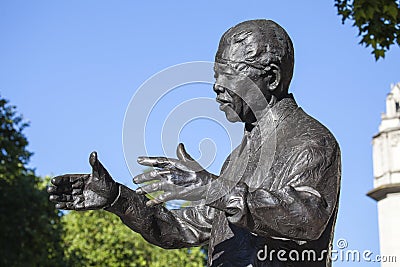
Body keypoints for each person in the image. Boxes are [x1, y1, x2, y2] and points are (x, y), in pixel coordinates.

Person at [48, 19, 341, 267]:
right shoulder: (238, 157)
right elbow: (183, 228)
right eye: (216, 74)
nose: (216, 85)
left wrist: (212, 187)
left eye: (228, 75)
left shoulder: (312, 142)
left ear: (272, 78)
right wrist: (117, 199)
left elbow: (306, 218)